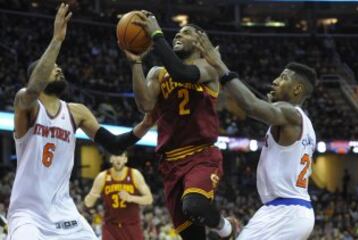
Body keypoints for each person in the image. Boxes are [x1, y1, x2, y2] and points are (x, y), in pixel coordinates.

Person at [7, 4, 154, 240]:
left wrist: (144, 126)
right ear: (39, 75)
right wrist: (57, 39)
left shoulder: (77, 112)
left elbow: (115, 145)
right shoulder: (27, 104)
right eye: (53, 68)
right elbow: (34, 88)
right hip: (28, 214)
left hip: (64, 212)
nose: (59, 69)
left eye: (58, 67)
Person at [121, 11, 238, 240]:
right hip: (170, 163)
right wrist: (136, 63)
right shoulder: (157, 73)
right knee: (193, 237)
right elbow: (144, 105)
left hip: (201, 155)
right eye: (177, 33)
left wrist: (156, 34)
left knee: (194, 205)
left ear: (200, 42)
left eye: (185, 33)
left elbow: (183, 73)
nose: (178, 36)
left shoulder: (210, 68)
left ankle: (228, 229)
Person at [194, 32, 317, 240]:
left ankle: (227, 230)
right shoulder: (300, 121)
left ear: (297, 89)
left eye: (283, 78)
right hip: (287, 210)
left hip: (285, 211)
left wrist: (219, 65)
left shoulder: (290, 113)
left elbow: (250, 106)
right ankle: (226, 230)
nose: (275, 81)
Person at [84, 153, 153, 240]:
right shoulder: (102, 177)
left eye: (121, 156)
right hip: (111, 227)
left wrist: (131, 198)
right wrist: (93, 195)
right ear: (111, 159)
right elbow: (88, 203)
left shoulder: (134, 174)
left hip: (131, 226)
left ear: (125, 159)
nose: (118, 159)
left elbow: (149, 199)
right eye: (115, 156)